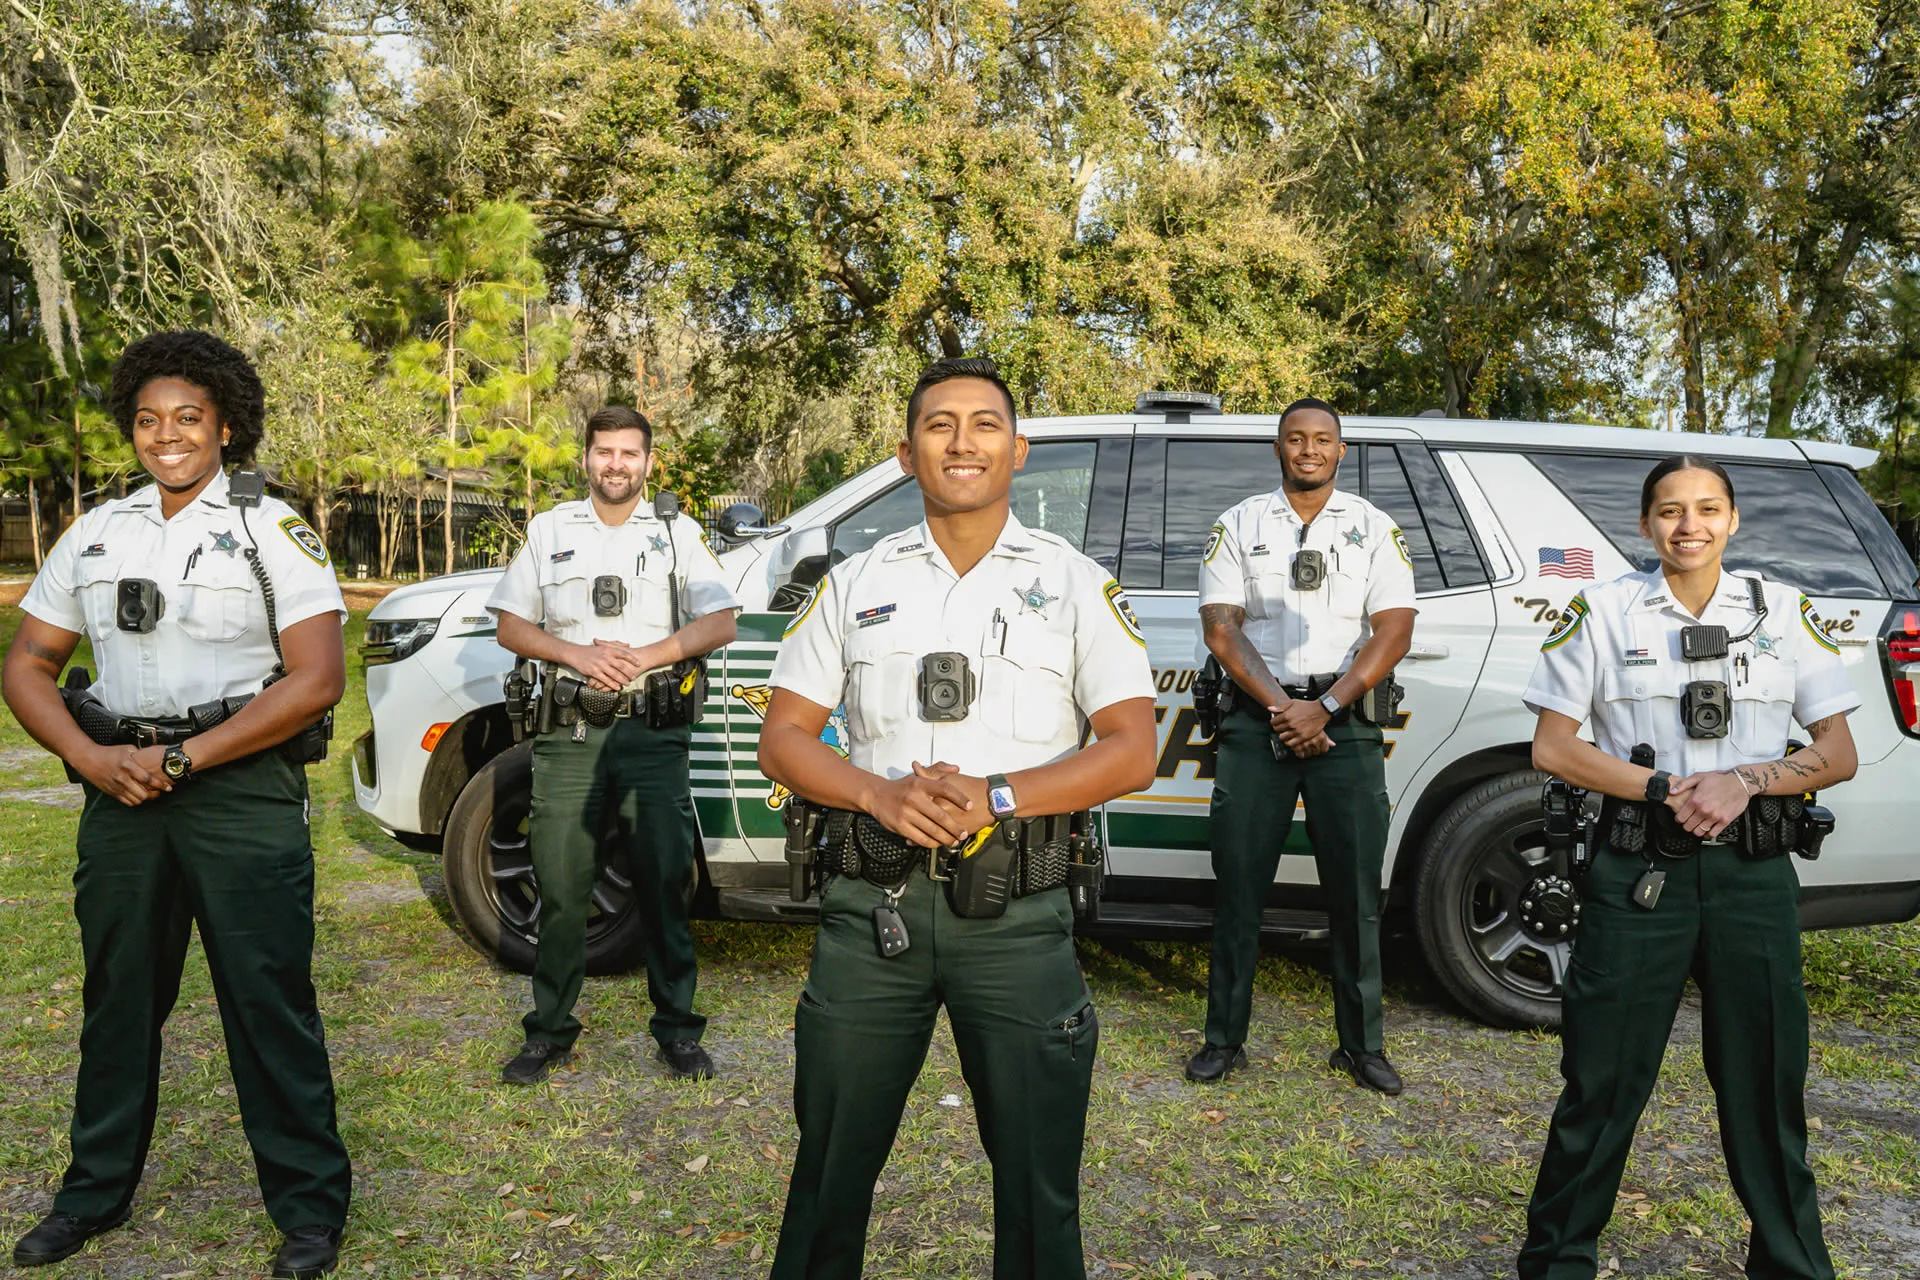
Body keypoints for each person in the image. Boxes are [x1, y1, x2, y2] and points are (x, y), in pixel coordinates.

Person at [759, 357, 1158, 1280]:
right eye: (940, 425)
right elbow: (784, 738)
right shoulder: (853, 582)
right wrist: (877, 793)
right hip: (871, 912)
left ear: (1018, 451)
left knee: (1036, 1187)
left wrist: (998, 794)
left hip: (1018, 921)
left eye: (984, 424)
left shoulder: (1072, 583)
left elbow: (1131, 748)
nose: (963, 442)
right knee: (826, 1177)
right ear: (906, 454)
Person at [2, 331, 352, 1278]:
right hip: (119, 789)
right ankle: (92, 1195)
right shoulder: (96, 531)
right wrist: (84, 752)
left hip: (236, 789)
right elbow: (29, 663)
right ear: (132, 428)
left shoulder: (269, 528)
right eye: (150, 420)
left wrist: (188, 759)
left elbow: (317, 678)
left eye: (188, 418)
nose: (167, 436)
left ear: (225, 425)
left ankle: (310, 1211)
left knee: (266, 1000)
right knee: (117, 1001)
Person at [1517, 455, 1858, 1279]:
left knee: (1766, 1086)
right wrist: (1670, 789)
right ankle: (1558, 1263)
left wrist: (1743, 781)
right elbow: (1554, 747)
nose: (1689, 525)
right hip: (1641, 878)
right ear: (1645, 525)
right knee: (1600, 1084)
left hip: (1753, 880)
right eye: (1670, 511)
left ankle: (1792, 1266)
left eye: (1707, 509)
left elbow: (1837, 751)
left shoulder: (1783, 612)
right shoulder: (1600, 613)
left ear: (1733, 521)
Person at [485, 405, 739, 1085]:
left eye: (630, 453)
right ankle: (549, 1032)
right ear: (586, 459)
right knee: (563, 885)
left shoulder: (677, 533)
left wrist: (648, 655)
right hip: (571, 732)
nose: (616, 465)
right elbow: (511, 625)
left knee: (661, 880)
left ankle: (678, 1031)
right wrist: (575, 654)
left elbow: (720, 621)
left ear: (649, 462)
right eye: (605, 452)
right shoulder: (549, 530)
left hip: (651, 733)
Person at [1187, 397, 1417, 1093]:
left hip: (1344, 725)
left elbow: (1394, 628)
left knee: (1354, 894)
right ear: (1279, 447)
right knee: (1239, 889)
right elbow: (1222, 629)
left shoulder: (1375, 529)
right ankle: (1224, 1040)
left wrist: (1325, 707)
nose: (1309, 449)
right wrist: (1288, 709)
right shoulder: (1240, 524)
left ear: (1340, 450)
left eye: (1322, 439)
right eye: (1296, 438)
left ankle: (1362, 1045)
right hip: (1259, 726)